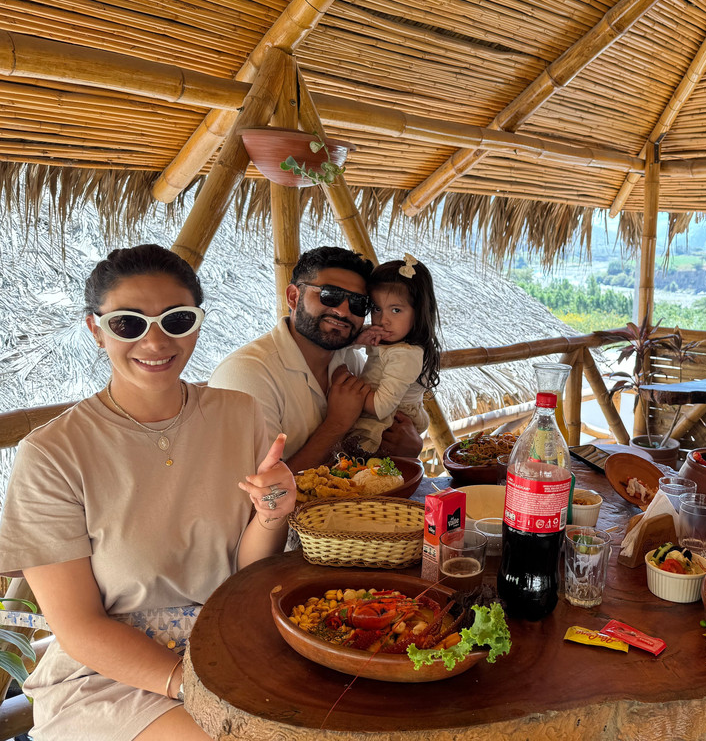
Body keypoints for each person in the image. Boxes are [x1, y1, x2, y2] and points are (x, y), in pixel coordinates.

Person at [0, 244, 296, 741]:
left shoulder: (241, 415)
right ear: (96, 329)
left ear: (197, 324)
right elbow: (80, 627)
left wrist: (271, 514)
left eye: (176, 320)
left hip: (234, 642)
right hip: (111, 673)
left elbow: (247, 573)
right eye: (128, 323)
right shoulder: (52, 454)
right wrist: (194, 685)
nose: (155, 341)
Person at [208, 246, 422, 473]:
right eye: (330, 295)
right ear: (293, 297)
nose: (343, 311)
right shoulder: (248, 375)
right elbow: (256, 489)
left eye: (358, 303)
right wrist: (337, 424)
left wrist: (409, 447)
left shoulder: (351, 360)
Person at [339, 254, 441, 456]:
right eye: (376, 308)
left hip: (385, 424)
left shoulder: (405, 355)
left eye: (395, 310)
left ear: (419, 312)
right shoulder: (391, 339)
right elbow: (346, 340)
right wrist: (357, 339)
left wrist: (348, 388)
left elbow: (381, 407)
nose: (383, 320)